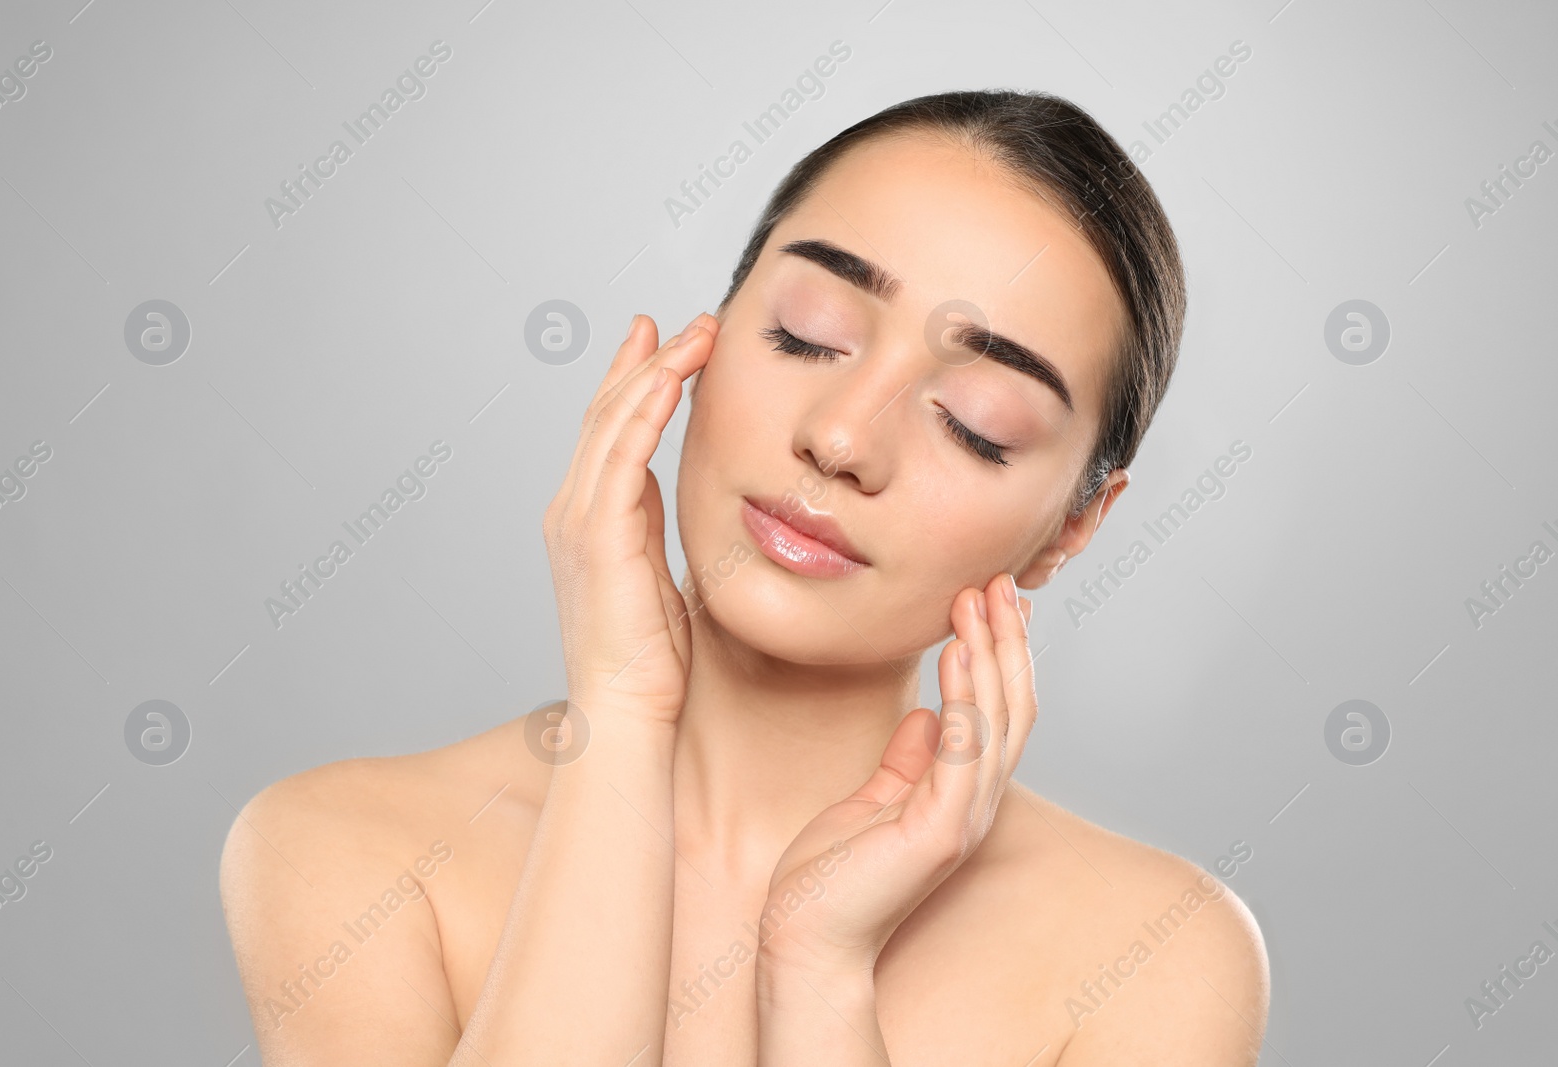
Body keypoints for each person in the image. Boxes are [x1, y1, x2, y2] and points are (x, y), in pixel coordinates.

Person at [220, 88, 1269, 1065]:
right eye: (804, 334)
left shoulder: (1157, 954)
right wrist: (622, 713)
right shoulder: (344, 851)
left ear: (1073, 523)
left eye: (976, 423)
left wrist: (816, 971)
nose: (843, 436)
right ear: (708, 336)